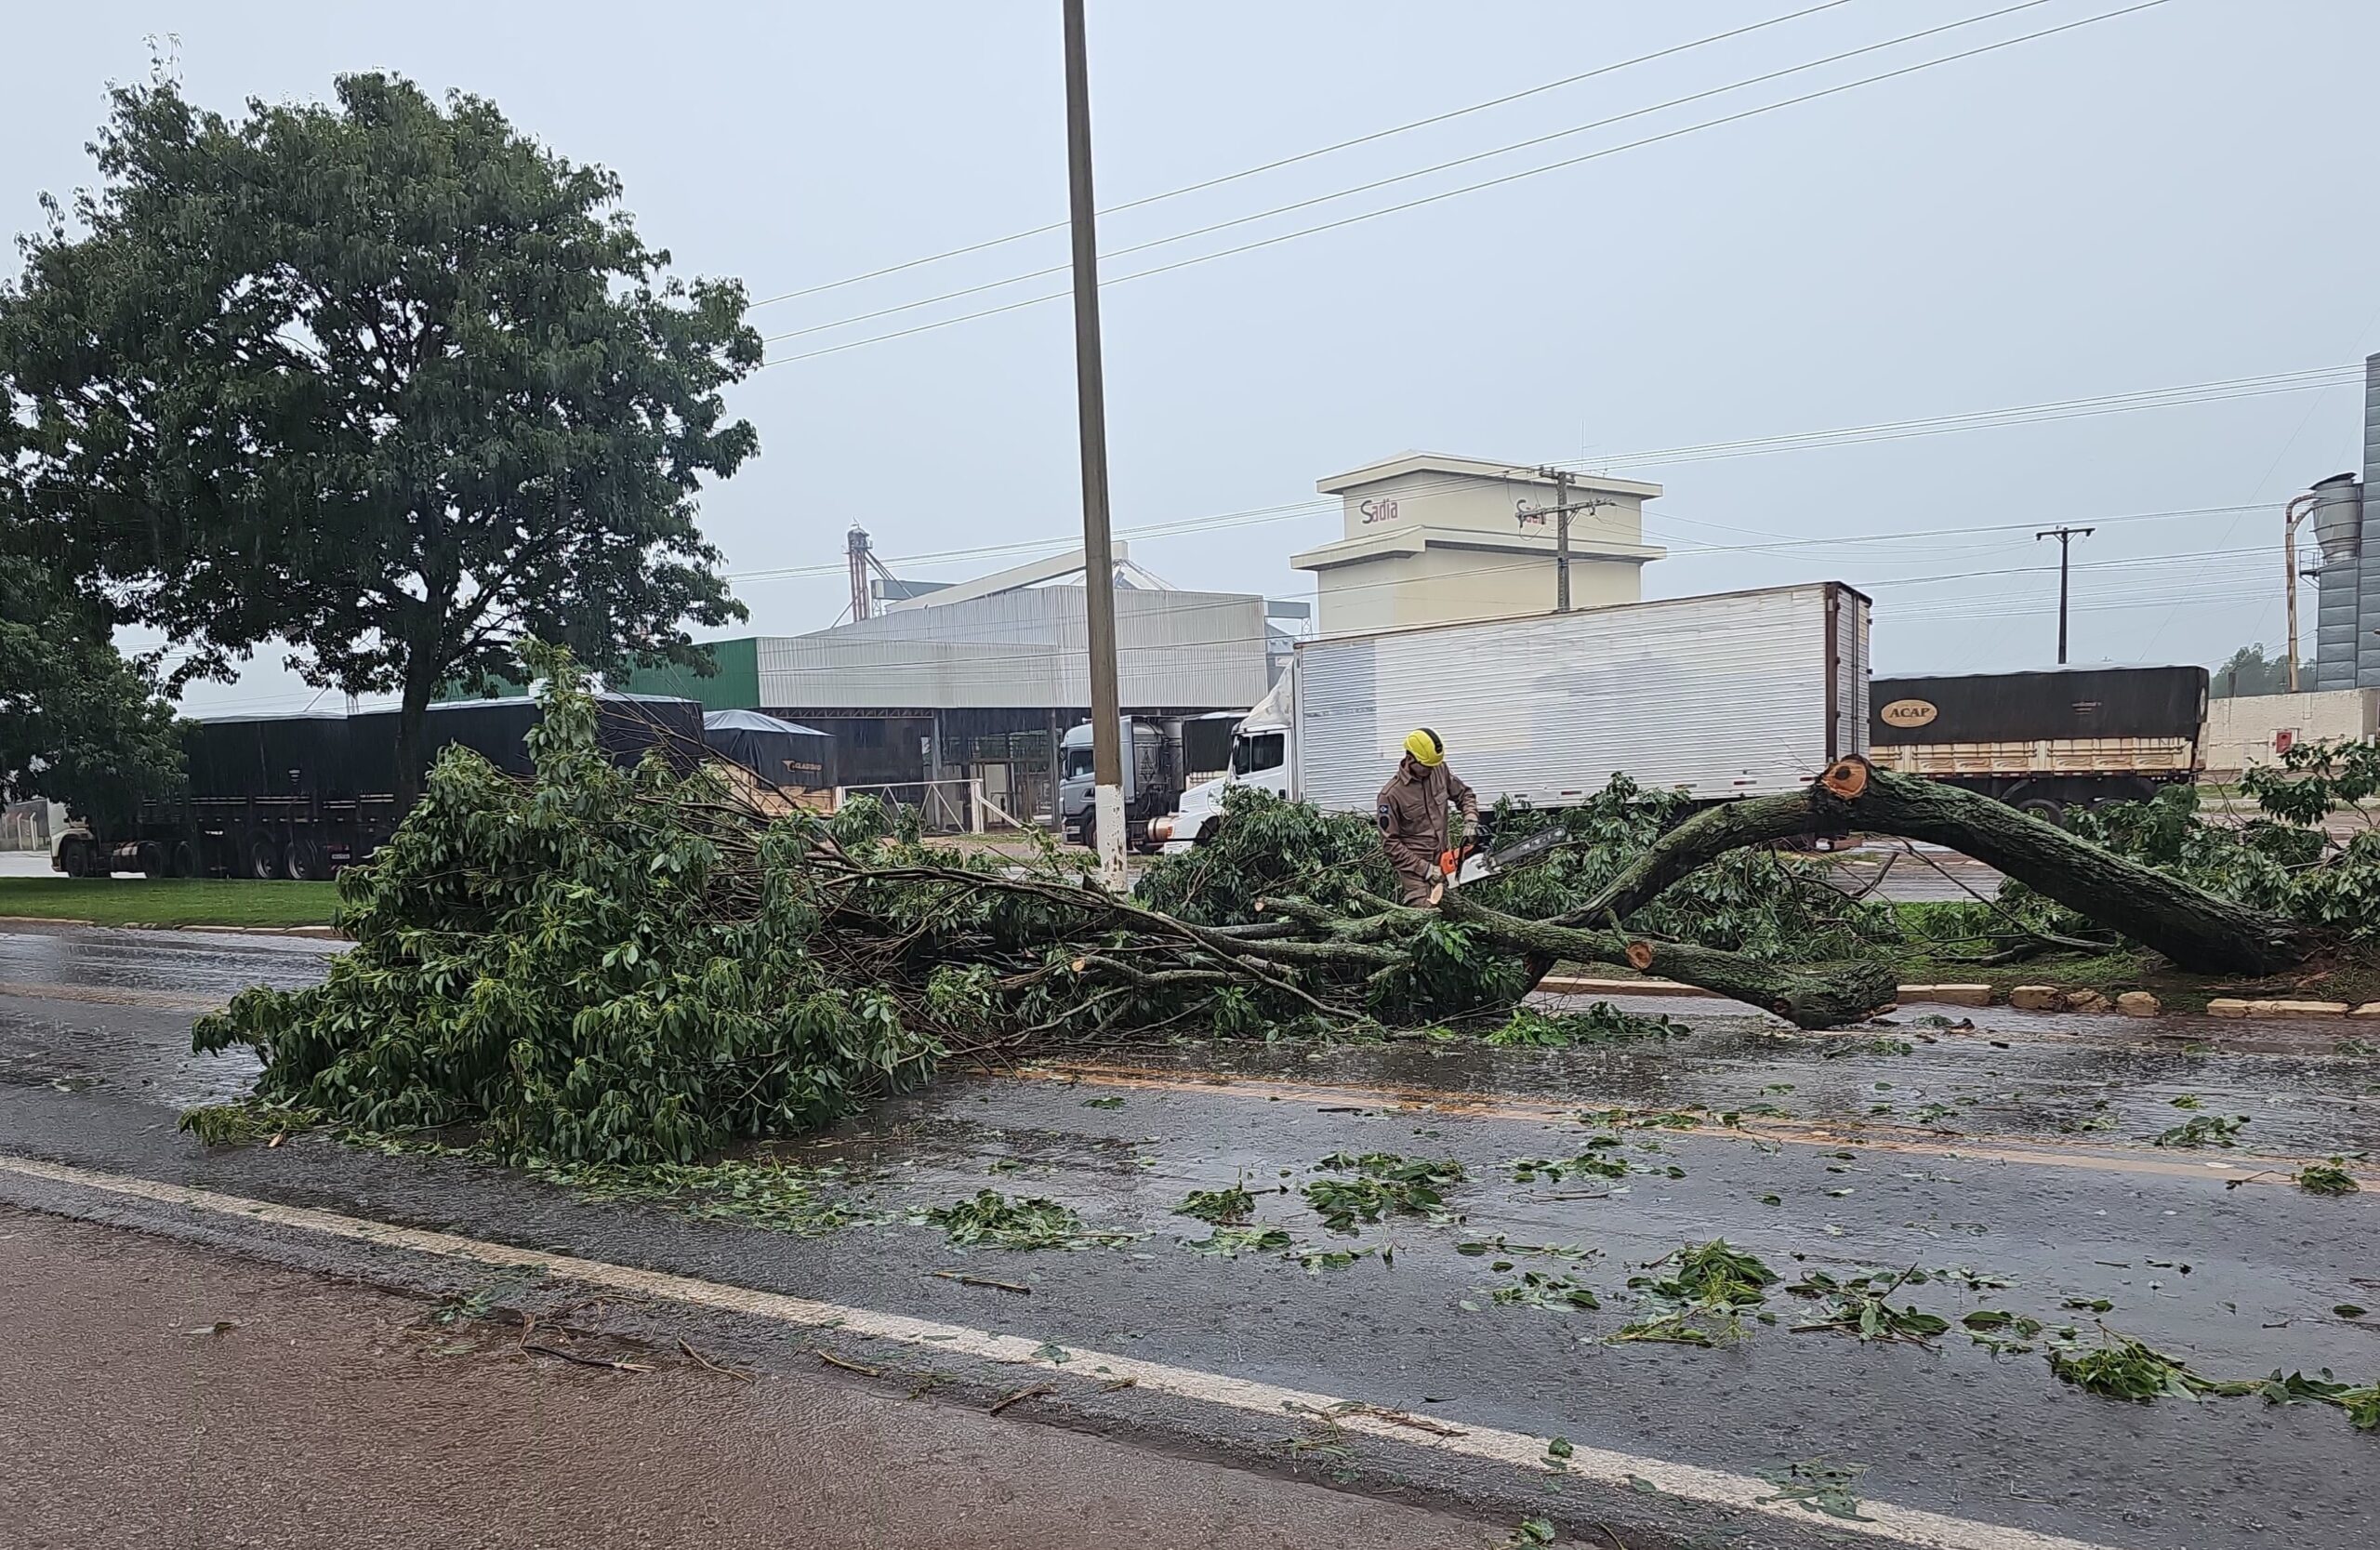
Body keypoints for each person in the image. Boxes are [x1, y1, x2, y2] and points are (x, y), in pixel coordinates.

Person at [1376, 727, 1479, 907]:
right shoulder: (1391, 795)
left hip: (1444, 859)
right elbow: (1390, 844)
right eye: (1427, 766)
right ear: (1410, 759)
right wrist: (1425, 869)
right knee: (1426, 914)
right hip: (1416, 869)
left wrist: (1470, 819)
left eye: (1434, 765)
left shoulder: (1439, 770)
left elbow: (1464, 794)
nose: (1431, 770)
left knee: (1454, 913)